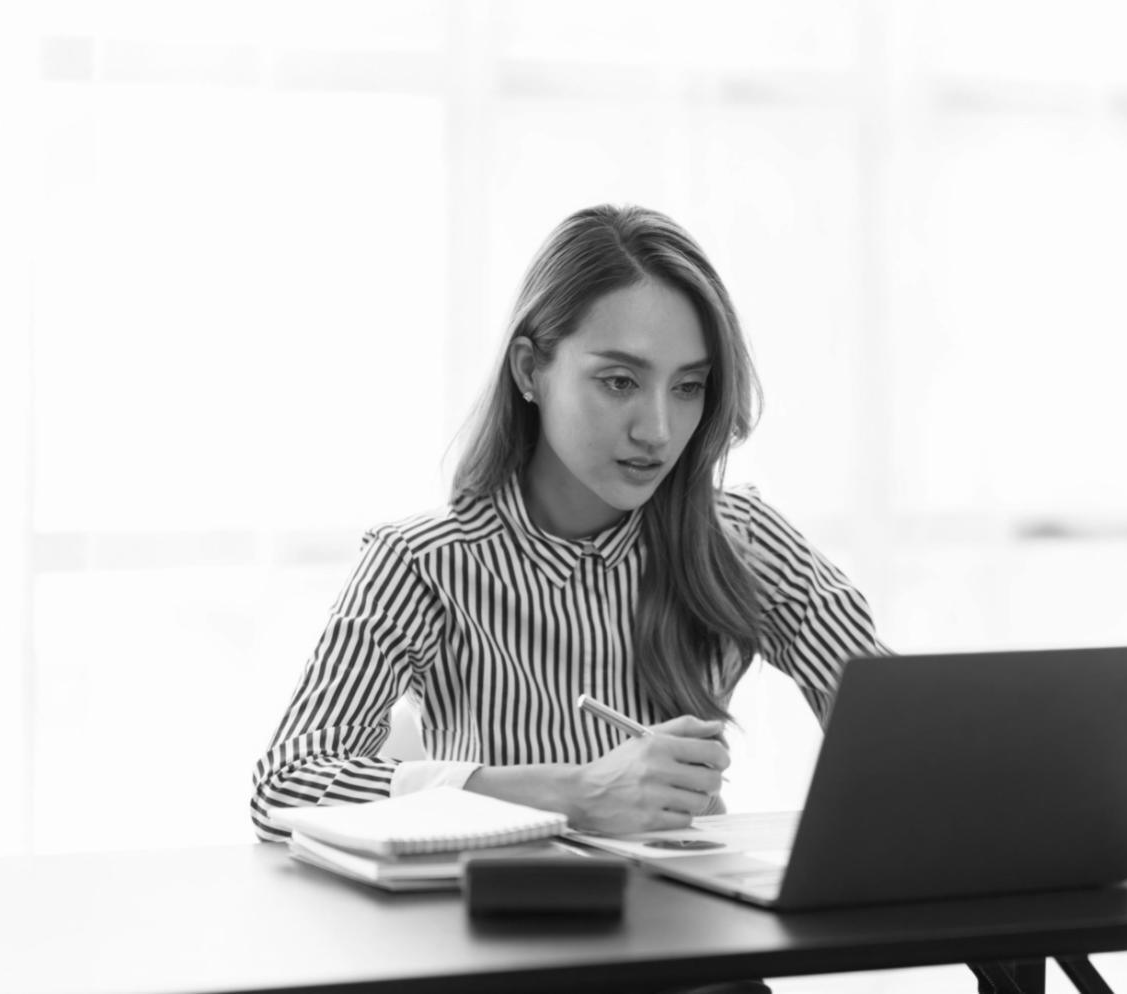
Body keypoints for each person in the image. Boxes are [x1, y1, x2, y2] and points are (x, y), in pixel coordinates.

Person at [250, 204, 884, 846]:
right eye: (619, 381)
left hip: (698, 928)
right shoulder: (423, 562)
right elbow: (287, 786)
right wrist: (571, 796)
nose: (657, 431)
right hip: (511, 935)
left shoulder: (739, 537)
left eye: (688, 387)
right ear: (530, 368)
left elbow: (916, 743)